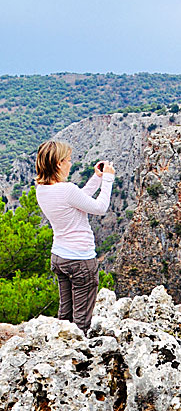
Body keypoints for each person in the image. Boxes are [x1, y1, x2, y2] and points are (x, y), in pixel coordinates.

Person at [34, 140, 115, 334]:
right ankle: (79, 357)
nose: (71, 164)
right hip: (80, 260)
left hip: (60, 257)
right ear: (59, 163)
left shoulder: (42, 189)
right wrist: (108, 180)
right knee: (82, 320)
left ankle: (61, 348)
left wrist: (96, 178)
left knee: (65, 314)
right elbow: (99, 207)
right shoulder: (66, 189)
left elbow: (77, 199)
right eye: (68, 160)